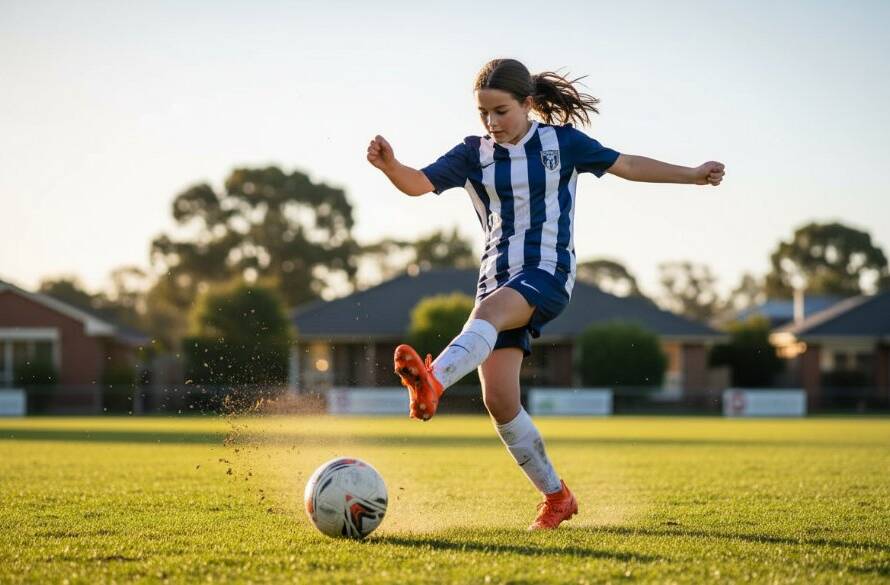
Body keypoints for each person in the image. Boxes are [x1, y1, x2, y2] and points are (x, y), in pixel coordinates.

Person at [366, 58, 725, 530]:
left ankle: (432, 381)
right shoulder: (473, 153)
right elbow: (418, 184)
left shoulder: (563, 143)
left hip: (549, 272)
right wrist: (391, 166)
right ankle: (558, 497)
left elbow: (630, 165)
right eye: (484, 114)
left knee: (490, 314)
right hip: (496, 277)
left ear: (528, 104)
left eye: (501, 111)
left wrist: (692, 173)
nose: (492, 123)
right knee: (499, 399)